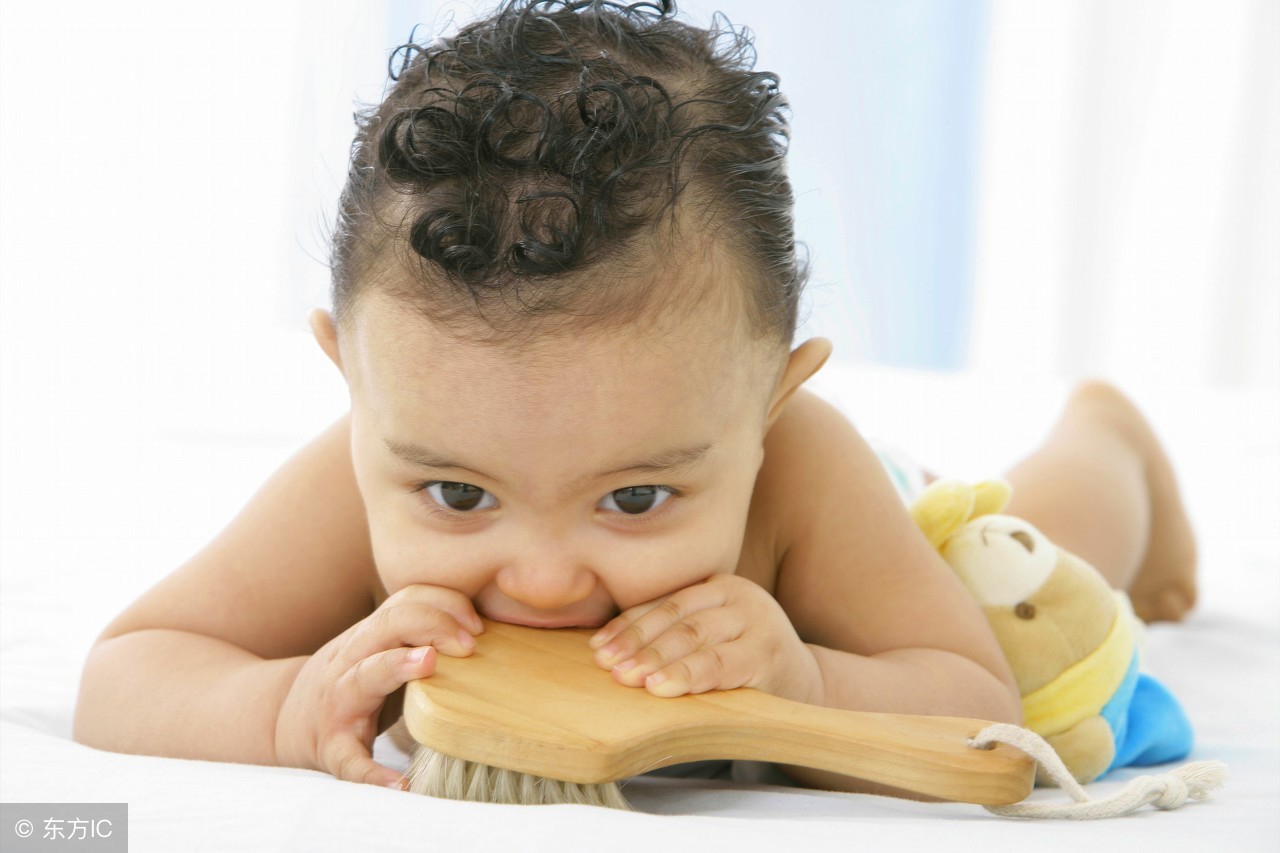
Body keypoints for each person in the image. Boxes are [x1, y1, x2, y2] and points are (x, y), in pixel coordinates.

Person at [71, 0, 1197, 795]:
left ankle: (1105, 433)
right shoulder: (361, 458)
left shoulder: (801, 468)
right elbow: (130, 671)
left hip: (872, 552)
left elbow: (970, 691)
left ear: (769, 400)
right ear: (354, 382)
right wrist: (279, 707)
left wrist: (802, 676)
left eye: (637, 496)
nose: (546, 578)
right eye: (458, 494)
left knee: (1043, 564)